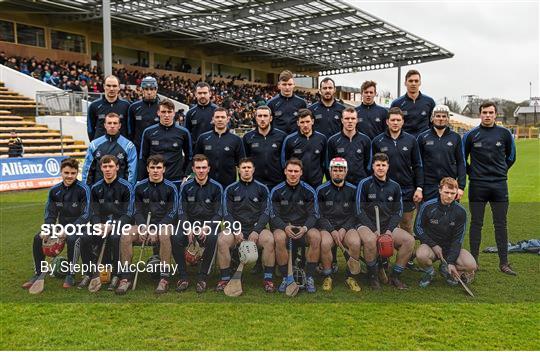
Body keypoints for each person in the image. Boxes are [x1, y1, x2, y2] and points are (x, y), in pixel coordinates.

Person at [463, 101, 517, 275]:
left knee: (501, 224)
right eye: (484, 112)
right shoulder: (471, 135)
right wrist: (474, 173)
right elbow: (462, 160)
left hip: (499, 185)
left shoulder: (505, 134)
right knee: (476, 223)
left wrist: (500, 172)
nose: (487, 115)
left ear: (496, 115)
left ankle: (504, 263)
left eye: (491, 112)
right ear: (480, 114)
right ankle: (474, 262)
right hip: (478, 185)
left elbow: (511, 157)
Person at [21, 158, 90, 289]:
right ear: (61, 172)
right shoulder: (54, 190)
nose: (70, 176)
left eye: (73, 173)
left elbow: (86, 214)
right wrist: (47, 229)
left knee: (72, 239)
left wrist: (69, 229)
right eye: (66, 173)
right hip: (61, 227)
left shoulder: (83, 189)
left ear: (77, 173)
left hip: (81, 227)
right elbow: (50, 213)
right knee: (38, 238)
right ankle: (38, 272)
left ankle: (70, 274)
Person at [115, 155, 178, 294]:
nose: (155, 171)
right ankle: (126, 277)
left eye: (159, 168)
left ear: (164, 169)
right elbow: (135, 210)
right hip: (143, 226)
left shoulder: (171, 188)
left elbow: (173, 212)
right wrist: (143, 226)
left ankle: (164, 278)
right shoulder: (139, 186)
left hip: (163, 226)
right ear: (148, 169)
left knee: (164, 234)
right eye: (152, 168)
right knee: (126, 233)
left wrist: (156, 228)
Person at [356, 153, 415, 290]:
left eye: (383, 165)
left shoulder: (395, 186)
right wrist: (373, 229)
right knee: (370, 241)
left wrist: (389, 230)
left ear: (388, 167)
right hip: (366, 225)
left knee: (409, 240)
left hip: (387, 225)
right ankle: (373, 276)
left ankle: (395, 276)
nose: (380, 168)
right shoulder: (364, 184)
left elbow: (398, 211)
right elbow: (359, 210)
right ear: (373, 167)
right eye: (378, 165)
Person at [217, 158, 275, 293]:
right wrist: (236, 230)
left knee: (269, 240)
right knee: (222, 240)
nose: (246, 170)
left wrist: (256, 230)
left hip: (256, 228)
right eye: (243, 168)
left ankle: (268, 279)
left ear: (253, 170)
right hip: (236, 229)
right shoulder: (231, 189)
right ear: (239, 170)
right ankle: (225, 278)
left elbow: (266, 212)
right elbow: (226, 213)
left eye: (249, 168)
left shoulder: (262, 188)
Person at [79, 155, 133, 292]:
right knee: (85, 237)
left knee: (115, 237)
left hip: (120, 224)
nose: (108, 169)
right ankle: (89, 272)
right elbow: (93, 211)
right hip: (101, 225)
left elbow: (129, 213)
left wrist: (112, 225)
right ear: (101, 168)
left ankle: (116, 274)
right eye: (105, 166)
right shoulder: (96, 188)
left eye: (111, 166)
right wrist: (97, 225)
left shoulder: (126, 187)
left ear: (117, 167)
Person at [172, 154, 223, 293]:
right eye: (198, 168)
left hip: (208, 225)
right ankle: (183, 276)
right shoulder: (186, 186)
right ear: (193, 169)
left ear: (209, 169)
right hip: (189, 224)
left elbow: (219, 213)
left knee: (212, 237)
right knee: (176, 236)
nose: (201, 171)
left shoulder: (217, 187)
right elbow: (181, 211)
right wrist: (187, 227)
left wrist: (207, 227)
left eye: (204, 168)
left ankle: (203, 277)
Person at [415, 177, 477, 287]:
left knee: (471, 265)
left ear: (456, 193)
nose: (449, 196)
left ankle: (445, 267)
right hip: (430, 247)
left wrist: (451, 261)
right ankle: (429, 272)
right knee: (421, 255)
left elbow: (458, 239)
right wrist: (433, 245)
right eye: (446, 192)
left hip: (450, 248)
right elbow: (418, 228)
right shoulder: (427, 206)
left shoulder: (461, 212)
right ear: (440, 190)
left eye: (452, 193)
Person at [270, 158, 321, 293]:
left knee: (316, 236)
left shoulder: (309, 190)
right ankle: (287, 277)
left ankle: (309, 277)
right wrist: (285, 227)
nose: (293, 174)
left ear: (301, 173)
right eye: (290, 171)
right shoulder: (276, 190)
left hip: (303, 228)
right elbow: (273, 215)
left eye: (296, 171)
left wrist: (305, 228)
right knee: (279, 238)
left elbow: (314, 214)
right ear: (285, 172)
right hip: (284, 228)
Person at [371, 107, 423, 235]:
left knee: (406, 225)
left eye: (398, 120)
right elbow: (372, 167)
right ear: (387, 122)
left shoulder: (411, 140)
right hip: (385, 189)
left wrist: (419, 188)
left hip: (406, 189)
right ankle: (383, 255)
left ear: (402, 122)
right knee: (384, 226)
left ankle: (407, 254)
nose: (395, 123)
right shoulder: (377, 141)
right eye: (392, 120)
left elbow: (418, 165)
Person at [317, 157, 362, 292]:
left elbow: (355, 214)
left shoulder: (353, 190)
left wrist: (343, 228)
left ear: (346, 172)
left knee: (355, 242)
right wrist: (331, 230)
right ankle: (328, 275)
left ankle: (350, 277)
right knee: (325, 243)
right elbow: (319, 215)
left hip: (347, 226)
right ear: (330, 172)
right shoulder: (321, 190)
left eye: (341, 170)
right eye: (335, 169)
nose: (338, 172)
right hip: (327, 227)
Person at [417, 104, 466, 201]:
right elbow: (418, 164)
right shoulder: (423, 137)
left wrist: (461, 186)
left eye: (444, 116)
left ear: (448, 119)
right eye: (438, 116)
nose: (441, 119)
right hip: (429, 185)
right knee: (429, 214)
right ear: (432, 118)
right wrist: (419, 187)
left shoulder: (455, 137)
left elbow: (461, 162)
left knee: (449, 215)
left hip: (449, 185)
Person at [139, 99, 192, 187]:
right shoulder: (148, 132)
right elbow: (143, 157)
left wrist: (186, 176)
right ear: (158, 113)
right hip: (154, 180)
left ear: (174, 113)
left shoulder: (183, 132)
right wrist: (141, 179)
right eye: (163, 112)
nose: (166, 115)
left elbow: (189, 157)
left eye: (169, 112)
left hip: (176, 180)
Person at [194, 107, 245, 188]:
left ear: (228, 119)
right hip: (206, 184)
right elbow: (195, 160)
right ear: (213, 119)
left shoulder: (236, 140)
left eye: (222, 117)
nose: (220, 119)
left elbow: (241, 164)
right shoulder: (203, 138)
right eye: (217, 117)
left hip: (229, 185)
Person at [82, 113, 137, 186]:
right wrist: (87, 189)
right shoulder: (94, 145)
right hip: (98, 189)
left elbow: (132, 172)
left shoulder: (128, 146)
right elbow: (87, 169)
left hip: (120, 190)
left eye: (115, 123)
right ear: (105, 125)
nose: (112, 126)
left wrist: (128, 188)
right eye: (109, 123)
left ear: (119, 125)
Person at [243, 105, 287, 190]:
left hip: (277, 182)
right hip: (255, 182)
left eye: (265, 116)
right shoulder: (247, 137)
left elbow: (286, 159)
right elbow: (245, 160)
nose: (262, 119)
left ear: (270, 118)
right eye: (259, 116)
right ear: (255, 118)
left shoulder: (282, 136)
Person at [281, 108, 327, 188]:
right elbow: (284, 162)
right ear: (298, 123)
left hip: (316, 183)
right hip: (297, 183)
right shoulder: (289, 139)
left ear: (312, 121)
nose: (305, 125)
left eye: (307, 121)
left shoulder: (322, 138)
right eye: (302, 122)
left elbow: (324, 162)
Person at [327, 107, 371, 185]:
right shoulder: (333, 140)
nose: (350, 121)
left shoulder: (365, 140)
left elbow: (368, 164)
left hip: (359, 182)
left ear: (357, 120)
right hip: (341, 183)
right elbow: (329, 164)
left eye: (353, 118)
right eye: (347, 118)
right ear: (342, 120)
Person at [390, 70, 435, 137]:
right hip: (404, 142)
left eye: (416, 81)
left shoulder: (429, 102)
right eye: (410, 81)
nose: (413, 83)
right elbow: (391, 125)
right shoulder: (397, 103)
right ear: (405, 83)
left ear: (420, 83)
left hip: (424, 142)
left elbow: (433, 124)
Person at [87, 75, 130, 140]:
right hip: (101, 147)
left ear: (119, 87)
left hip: (121, 147)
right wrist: (95, 143)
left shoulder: (126, 106)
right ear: (104, 86)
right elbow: (90, 128)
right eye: (108, 86)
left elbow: (130, 128)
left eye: (114, 86)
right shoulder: (94, 106)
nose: (111, 89)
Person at [267, 70, 307, 134]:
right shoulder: (271, 103)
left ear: (294, 85)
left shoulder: (302, 103)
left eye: (290, 84)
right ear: (279, 85)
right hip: (277, 140)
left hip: (295, 139)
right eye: (284, 84)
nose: (287, 87)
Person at [127, 76, 160, 153]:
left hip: (157, 149)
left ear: (156, 90)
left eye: (152, 89)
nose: (149, 92)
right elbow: (130, 130)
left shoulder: (162, 107)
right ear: (142, 90)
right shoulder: (133, 107)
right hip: (138, 148)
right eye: (146, 89)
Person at [184, 82, 218, 146]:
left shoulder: (217, 111)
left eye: (205, 93)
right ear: (196, 94)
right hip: (196, 150)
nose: (202, 95)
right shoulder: (190, 113)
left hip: (214, 149)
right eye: (200, 93)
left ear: (210, 94)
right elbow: (186, 134)